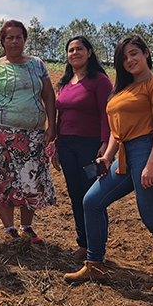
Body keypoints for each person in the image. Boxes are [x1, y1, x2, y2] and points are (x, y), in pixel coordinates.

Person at [64, 35, 153, 297]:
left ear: (145, 54)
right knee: (91, 202)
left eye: (134, 54)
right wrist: (107, 157)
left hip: (149, 151)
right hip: (124, 155)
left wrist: (151, 164)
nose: (130, 60)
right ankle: (94, 265)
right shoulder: (122, 90)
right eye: (124, 57)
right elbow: (115, 130)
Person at [0, 19, 57, 244]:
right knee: (5, 181)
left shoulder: (38, 65)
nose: (14, 41)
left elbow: (49, 96)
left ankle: (26, 227)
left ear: (24, 40)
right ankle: (9, 229)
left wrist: (52, 125)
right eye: (9, 37)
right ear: (2, 41)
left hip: (32, 136)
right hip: (1, 136)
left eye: (18, 37)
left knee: (30, 181)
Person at [51, 36, 112, 259]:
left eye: (79, 49)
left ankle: (98, 245)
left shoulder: (100, 81)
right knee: (76, 195)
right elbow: (60, 116)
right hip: (67, 146)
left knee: (92, 197)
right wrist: (57, 145)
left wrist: (105, 144)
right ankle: (84, 244)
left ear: (89, 52)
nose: (74, 53)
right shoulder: (65, 83)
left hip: (90, 146)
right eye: (70, 50)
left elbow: (108, 114)